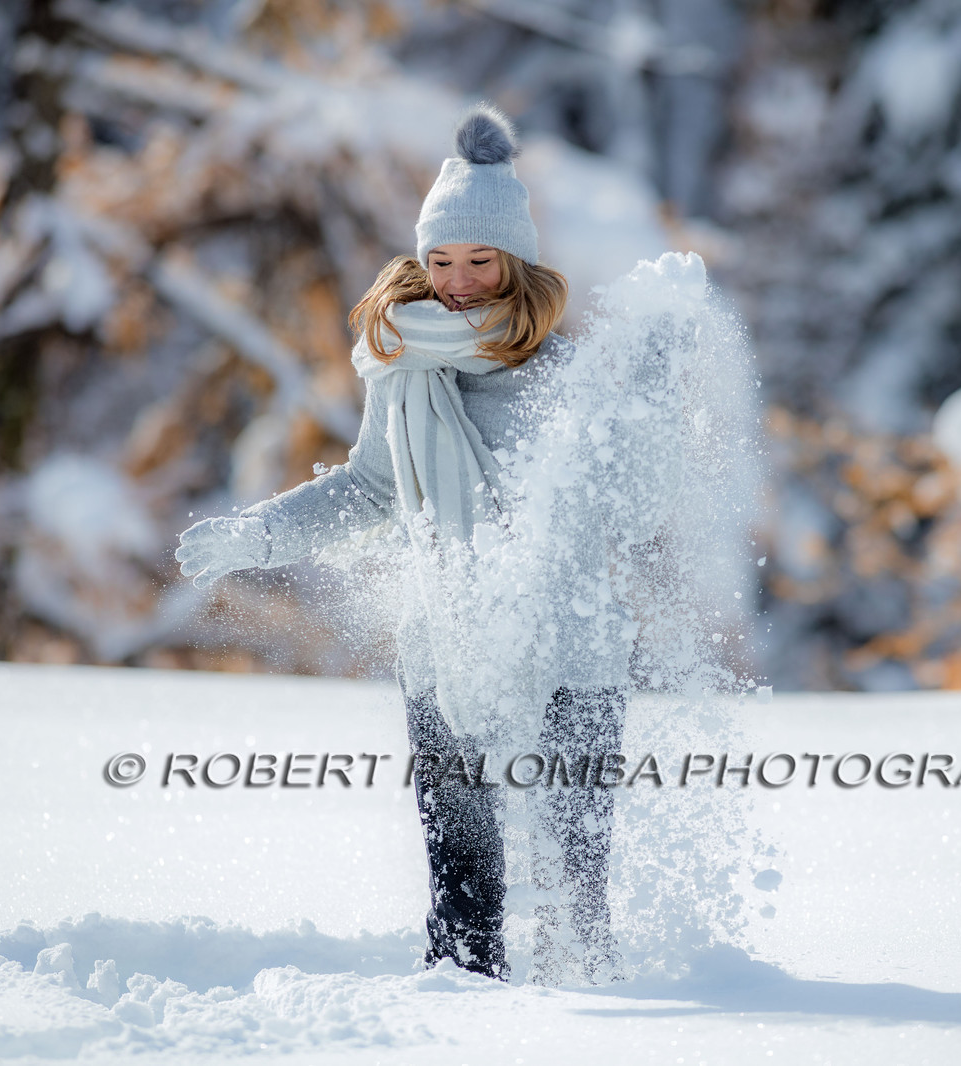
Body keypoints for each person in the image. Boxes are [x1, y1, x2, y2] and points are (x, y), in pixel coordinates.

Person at [174, 103, 636, 985]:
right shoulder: (402, 372)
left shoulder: (564, 372)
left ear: (514, 263)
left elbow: (616, 500)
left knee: (574, 871)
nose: (457, 279)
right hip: (447, 641)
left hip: (567, 646)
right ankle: (456, 1009)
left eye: (478, 259)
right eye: (440, 259)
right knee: (460, 867)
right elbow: (374, 488)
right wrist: (258, 533)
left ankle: (592, 1019)